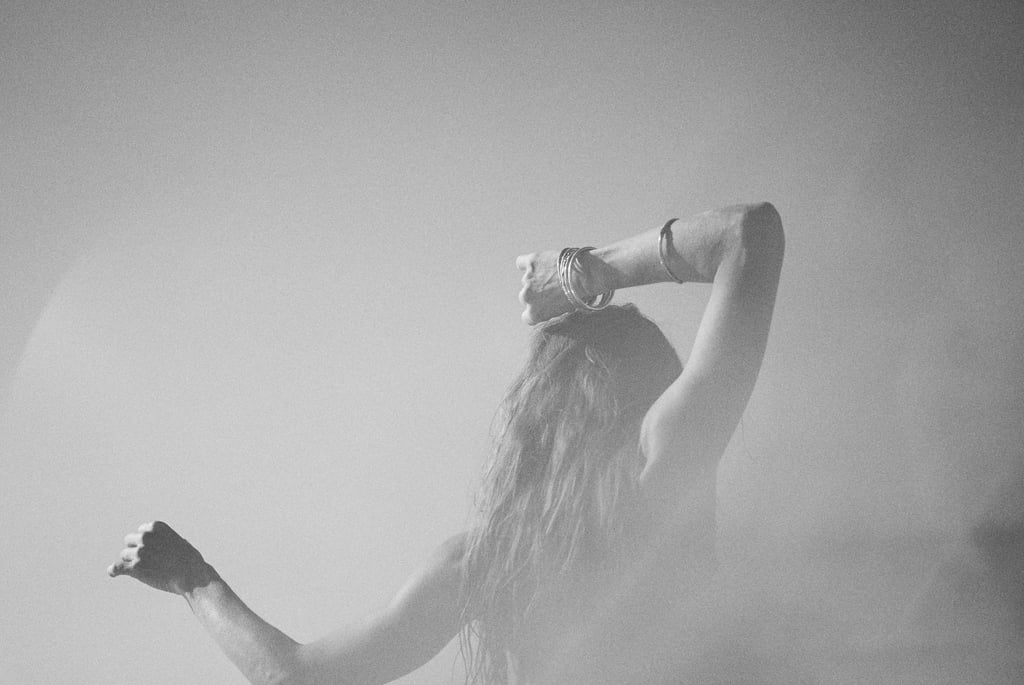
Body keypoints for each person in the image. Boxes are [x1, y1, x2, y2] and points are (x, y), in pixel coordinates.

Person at [108, 202, 785, 684]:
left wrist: (192, 577)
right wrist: (586, 272)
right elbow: (744, 236)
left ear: (536, 412)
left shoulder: (485, 562)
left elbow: (295, 677)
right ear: (649, 384)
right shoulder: (665, 464)